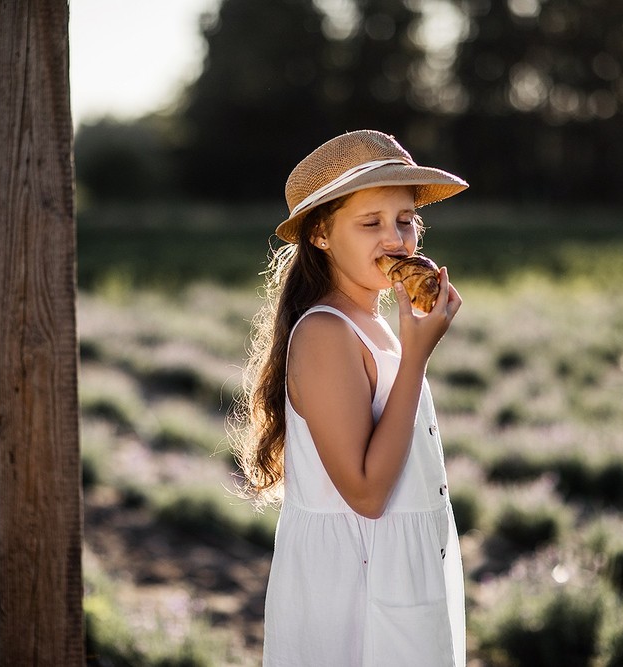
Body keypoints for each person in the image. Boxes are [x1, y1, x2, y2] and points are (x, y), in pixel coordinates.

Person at [230, 129, 469, 667]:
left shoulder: (375, 324)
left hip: (398, 573)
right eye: (370, 223)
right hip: (354, 590)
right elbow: (365, 493)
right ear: (320, 234)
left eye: (406, 220)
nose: (397, 239)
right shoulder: (325, 334)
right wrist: (416, 359)